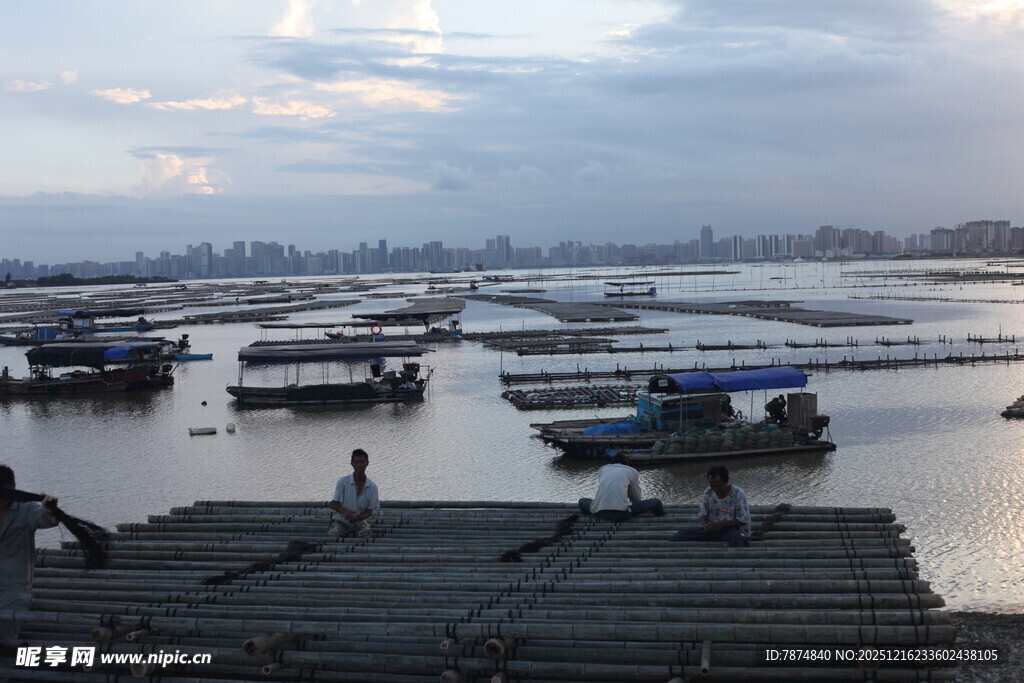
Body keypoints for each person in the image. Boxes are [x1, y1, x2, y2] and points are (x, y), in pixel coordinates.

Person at [0, 465, 58, 654]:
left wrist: (50, 509)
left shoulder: (26, 510)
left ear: (13, 487)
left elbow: (47, 520)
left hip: (14, 589)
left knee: (6, 638)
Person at [670, 466, 750, 547]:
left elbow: (743, 519)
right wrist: (705, 526)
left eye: (718, 486)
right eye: (712, 486)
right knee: (682, 534)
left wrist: (722, 524)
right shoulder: (708, 492)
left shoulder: (737, 493)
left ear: (726, 482)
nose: (715, 489)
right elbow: (702, 514)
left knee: (738, 539)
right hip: (713, 530)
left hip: (732, 531)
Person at [578, 454, 665, 522]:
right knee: (656, 502)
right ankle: (661, 515)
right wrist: (637, 506)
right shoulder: (631, 471)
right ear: (626, 464)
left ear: (612, 463)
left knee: (582, 501)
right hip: (621, 514)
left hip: (599, 512)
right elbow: (635, 497)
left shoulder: (603, 469)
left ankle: (588, 513)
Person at [327, 449, 379, 538]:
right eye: (356, 462)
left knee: (365, 534)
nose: (359, 465)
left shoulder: (372, 487)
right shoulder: (343, 482)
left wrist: (358, 518)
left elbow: (369, 511)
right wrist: (346, 513)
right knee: (334, 534)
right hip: (341, 521)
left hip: (359, 522)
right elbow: (333, 504)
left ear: (367, 463)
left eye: (362, 462)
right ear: (352, 464)